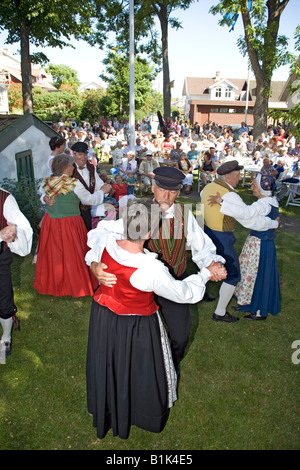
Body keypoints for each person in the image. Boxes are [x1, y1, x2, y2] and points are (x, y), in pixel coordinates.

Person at [86, 198, 226, 439]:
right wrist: (205, 274)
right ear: (150, 233)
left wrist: (95, 264)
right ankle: (142, 413)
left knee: (110, 363)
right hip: (137, 325)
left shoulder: (107, 242)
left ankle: (109, 409)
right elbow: (183, 293)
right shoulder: (150, 269)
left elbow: (96, 240)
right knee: (143, 370)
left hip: (103, 319)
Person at [86, 166, 226, 373]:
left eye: (172, 192)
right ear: (153, 188)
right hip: (139, 287)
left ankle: (170, 366)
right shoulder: (138, 210)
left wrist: (211, 265)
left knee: (180, 335)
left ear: (178, 192)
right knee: (137, 339)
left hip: (174, 282)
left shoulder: (186, 216)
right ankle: (145, 371)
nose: (166, 196)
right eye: (162, 190)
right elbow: (103, 235)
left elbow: (203, 248)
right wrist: (94, 264)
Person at [201, 160, 280, 323]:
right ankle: (220, 312)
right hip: (222, 237)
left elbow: (200, 213)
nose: (239, 179)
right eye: (237, 176)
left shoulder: (207, 188)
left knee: (208, 265)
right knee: (234, 274)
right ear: (228, 177)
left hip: (206, 232)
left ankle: (202, 293)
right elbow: (249, 220)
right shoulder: (230, 195)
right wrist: (273, 224)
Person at [34, 154, 109, 298]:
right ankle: (74, 284)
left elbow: (41, 196)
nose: (73, 168)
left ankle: (56, 284)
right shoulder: (74, 183)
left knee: (53, 254)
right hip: (70, 223)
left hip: (51, 222)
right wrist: (103, 192)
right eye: (71, 166)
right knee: (73, 254)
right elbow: (90, 200)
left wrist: (44, 198)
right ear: (67, 168)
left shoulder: (47, 182)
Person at [0, 189, 33, 359]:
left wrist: (13, 234)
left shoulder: (4, 198)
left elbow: (22, 228)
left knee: (4, 303)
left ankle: (5, 338)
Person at [71, 141, 111, 231]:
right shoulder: (69, 169)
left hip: (87, 211)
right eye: (80, 154)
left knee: (87, 234)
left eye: (85, 154)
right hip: (73, 212)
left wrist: (105, 189)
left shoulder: (91, 168)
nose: (83, 157)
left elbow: (99, 184)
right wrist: (102, 192)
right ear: (74, 154)